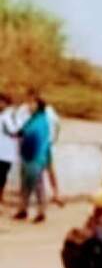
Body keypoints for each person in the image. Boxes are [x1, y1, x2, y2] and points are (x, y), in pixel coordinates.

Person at [13, 95, 50, 223]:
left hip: (35, 157)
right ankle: (22, 209)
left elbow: (35, 138)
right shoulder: (32, 119)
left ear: (38, 106)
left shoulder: (41, 120)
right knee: (25, 185)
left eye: (32, 104)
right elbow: (23, 132)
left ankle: (41, 212)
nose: (29, 106)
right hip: (27, 156)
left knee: (37, 185)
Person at [0, 93, 17, 207]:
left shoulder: (8, 117)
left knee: (2, 177)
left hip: (6, 152)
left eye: (2, 102)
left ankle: (0, 198)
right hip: (4, 152)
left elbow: (14, 131)